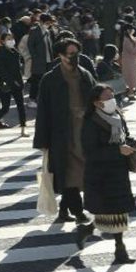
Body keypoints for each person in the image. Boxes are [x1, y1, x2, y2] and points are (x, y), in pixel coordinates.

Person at [33, 38, 97, 224]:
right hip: (61, 135)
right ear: (60, 55)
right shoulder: (50, 79)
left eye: (76, 53)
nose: (74, 58)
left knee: (79, 173)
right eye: (70, 54)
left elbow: (97, 99)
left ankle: (64, 210)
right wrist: (42, 141)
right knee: (69, 173)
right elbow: (42, 112)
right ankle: (77, 211)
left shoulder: (85, 75)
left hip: (84, 132)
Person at [77, 84, 136, 264]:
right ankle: (120, 251)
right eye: (107, 97)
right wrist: (118, 151)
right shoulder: (90, 122)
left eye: (113, 96)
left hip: (118, 171)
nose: (112, 100)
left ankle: (88, 231)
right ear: (96, 103)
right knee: (114, 211)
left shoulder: (117, 116)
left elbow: (125, 137)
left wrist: (133, 144)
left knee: (117, 211)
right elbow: (90, 152)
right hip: (100, 174)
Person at [0, 33, 26, 136]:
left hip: (18, 83)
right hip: (6, 83)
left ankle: (23, 129)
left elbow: (18, 69)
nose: (11, 40)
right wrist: (12, 81)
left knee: (21, 106)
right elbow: (1, 70)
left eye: (12, 38)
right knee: (5, 107)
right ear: (2, 41)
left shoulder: (15, 51)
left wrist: (20, 82)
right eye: (8, 39)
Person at [27, 13, 56, 108]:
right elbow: (30, 45)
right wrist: (35, 57)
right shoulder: (34, 31)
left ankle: (42, 99)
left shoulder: (48, 31)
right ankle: (32, 99)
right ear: (41, 22)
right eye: (47, 22)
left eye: (50, 23)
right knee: (35, 80)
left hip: (48, 60)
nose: (49, 24)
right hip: (39, 61)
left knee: (46, 80)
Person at [119, 24, 136, 100]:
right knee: (131, 77)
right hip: (128, 61)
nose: (133, 31)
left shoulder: (129, 38)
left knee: (132, 76)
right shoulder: (126, 39)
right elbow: (132, 50)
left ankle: (131, 92)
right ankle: (131, 94)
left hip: (131, 60)